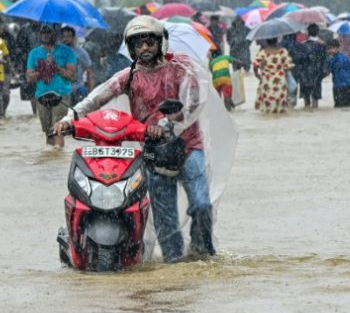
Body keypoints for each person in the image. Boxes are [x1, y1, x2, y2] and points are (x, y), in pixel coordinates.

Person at [53, 16, 217, 261]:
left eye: (149, 42)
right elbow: (97, 97)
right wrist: (69, 118)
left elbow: (193, 103)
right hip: (153, 152)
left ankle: (202, 253)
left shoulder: (183, 67)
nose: (144, 48)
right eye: (137, 44)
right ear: (131, 48)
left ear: (161, 43)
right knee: (166, 219)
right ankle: (175, 267)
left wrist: (167, 124)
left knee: (202, 204)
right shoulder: (129, 76)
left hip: (188, 147)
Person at [25, 24, 77, 148]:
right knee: (48, 132)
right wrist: (43, 70)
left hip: (61, 95)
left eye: (49, 32)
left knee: (58, 130)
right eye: (43, 32)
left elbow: (71, 76)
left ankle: (58, 158)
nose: (46, 35)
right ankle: (50, 161)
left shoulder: (67, 51)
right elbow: (29, 78)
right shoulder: (34, 53)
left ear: (55, 33)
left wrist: (56, 66)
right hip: (42, 95)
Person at [252, 37, 294, 114]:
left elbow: (255, 65)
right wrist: (281, 70)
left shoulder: (263, 52)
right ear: (277, 41)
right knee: (280, 104)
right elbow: (289, 66)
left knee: (268, 104)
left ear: (267, 42)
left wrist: (257, 75)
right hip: (280, 80)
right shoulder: (283, 51)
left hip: (266, 80)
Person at [60, 26, 94, 106]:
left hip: (77, 89)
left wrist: (91, 92)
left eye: (69, 36)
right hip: (62, 91)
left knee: (78, 115)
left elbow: (90, 72)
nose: (66, 39)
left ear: (73, 38)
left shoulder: (81, 53)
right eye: (64, 36)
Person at [296, 23, 326, 109]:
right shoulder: (322, 45)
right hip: (317, 75)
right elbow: (324, 60)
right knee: (315, 99)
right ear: (318, 32)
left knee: (306, 99)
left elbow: (299, 61)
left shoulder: (302, 45)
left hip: (304, 75)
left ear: (308, 32)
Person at [325, 38, 350, 107]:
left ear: (337, 48)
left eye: (330, 48)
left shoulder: (333, 60)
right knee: (348, 106)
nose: (329, 51)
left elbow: (327, 72)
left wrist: (318, 79)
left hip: (339, 86)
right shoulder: (345, 57)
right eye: (328, 49)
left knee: (339, 107)